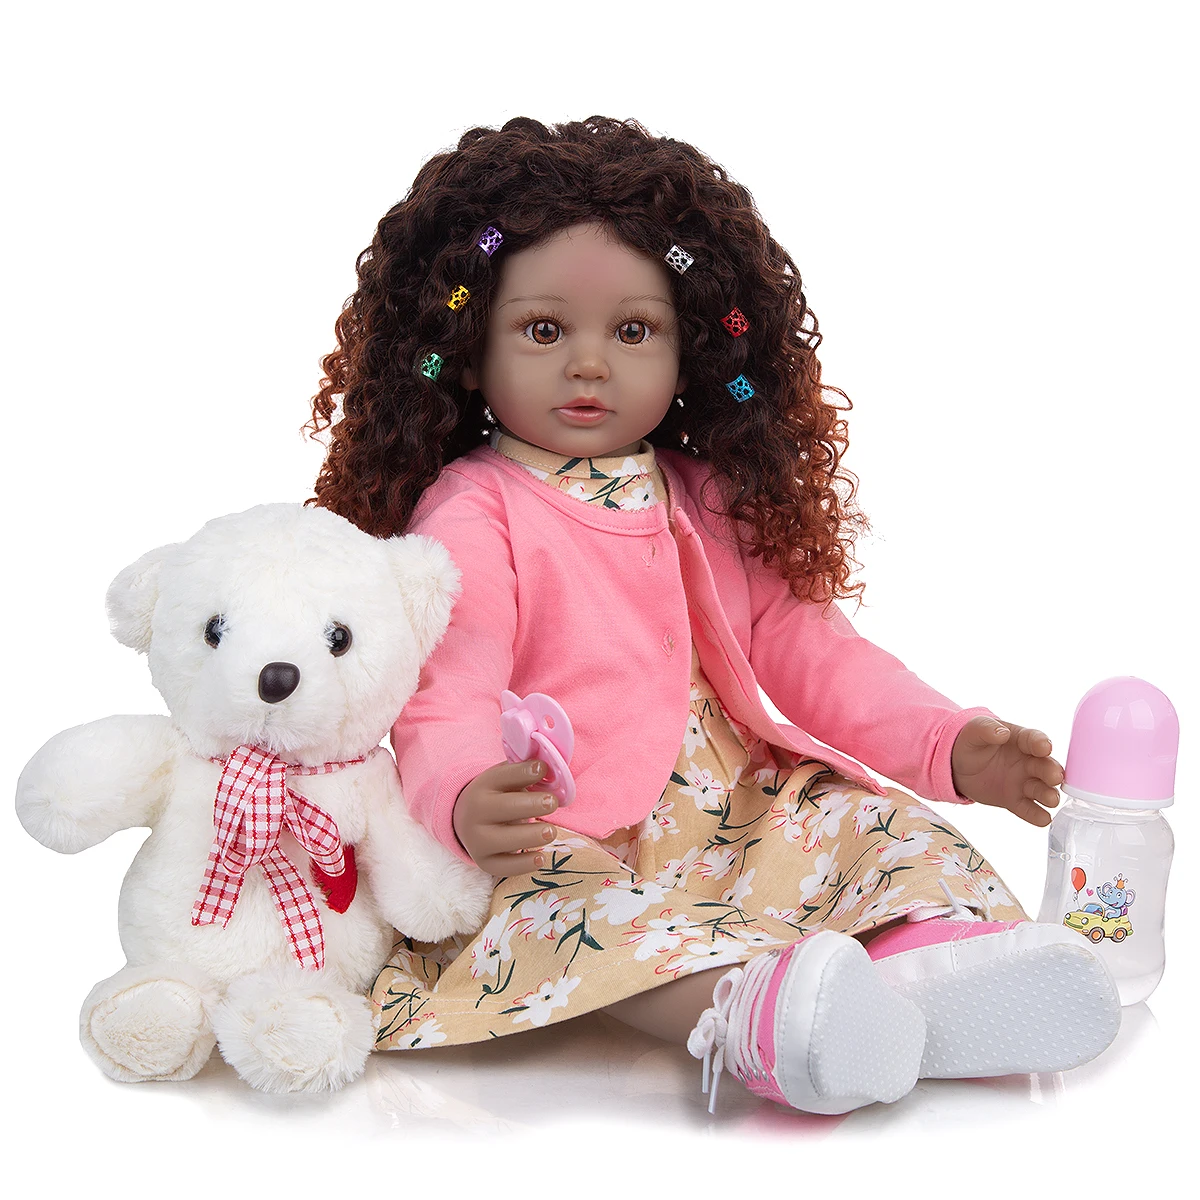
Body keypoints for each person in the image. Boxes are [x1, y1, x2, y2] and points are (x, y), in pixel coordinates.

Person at [308, 116, 1120, 1115]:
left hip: (736, 804)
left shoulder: (703, 495)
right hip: (572, 827)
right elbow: (447, 689)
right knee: (568, 916)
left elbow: (810, 649)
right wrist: (465, 795)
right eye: (545, 330)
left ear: (688, 351)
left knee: (869, 823)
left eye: (632, 332)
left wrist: (950, 743)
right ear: (469, 351)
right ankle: (753, 1017)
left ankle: (935, 968)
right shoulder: (476, 510)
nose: (590, 364)